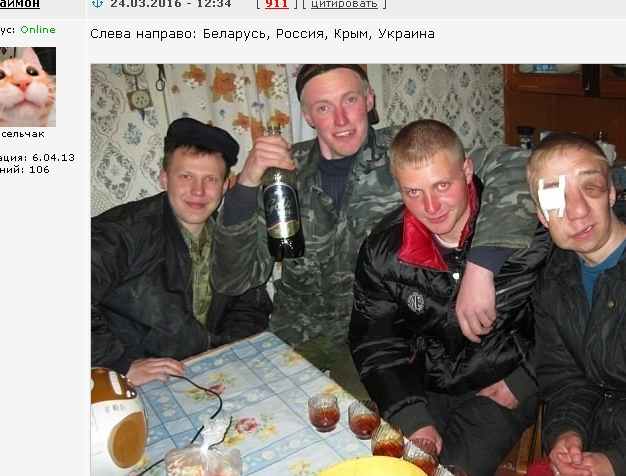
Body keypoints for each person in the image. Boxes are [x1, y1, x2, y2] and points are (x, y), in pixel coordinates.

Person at [211, 64, 538, 397]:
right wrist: (246, 184)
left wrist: (482, 267)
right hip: (294, 333)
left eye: (349, 100)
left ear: (369, 99)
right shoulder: (283, 172)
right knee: (245, 407)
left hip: (374, 340)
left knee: (361, 424)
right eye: (324, 107)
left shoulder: (406, 156)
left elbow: (516, 166)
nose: (341, 119)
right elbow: (233, 280)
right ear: (307, 116)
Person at [348, 119, 550, 476]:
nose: (431, 206)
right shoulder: (383, 251)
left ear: (467, 171)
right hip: (424, 387)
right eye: (413, 192)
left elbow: (572, 316)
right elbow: (376, 342)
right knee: (383, 465)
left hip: (503, 384)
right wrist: (412, 416)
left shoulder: (531, 231)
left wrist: (524, 381)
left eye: (442, 185)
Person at [525, 132, 626, 476]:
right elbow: (564, 376)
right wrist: (567, 431)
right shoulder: (553, 278)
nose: (577, 210)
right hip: (599, 441)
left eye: (591, 187)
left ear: (612, 193)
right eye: (555, 196)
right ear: (542, 215)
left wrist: (617, 463)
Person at [92, 117, 273, 386]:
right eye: (186, 176)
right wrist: (119, 365)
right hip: (128, 381)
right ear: (164, 178)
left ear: (225, 185)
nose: (198, 191)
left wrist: (226, 351)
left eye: (210, 179)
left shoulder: (231, 237)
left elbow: (251, 306)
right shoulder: (122, 232)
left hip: (203, 373)